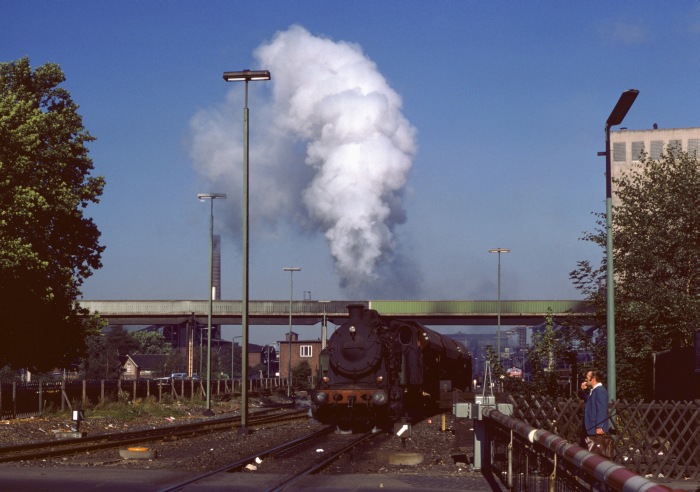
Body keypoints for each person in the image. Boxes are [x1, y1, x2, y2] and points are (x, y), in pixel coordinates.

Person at [579, 369, 610, 439]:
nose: (585, 380)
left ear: (593, 379)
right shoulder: (594, 390)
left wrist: (599, 426)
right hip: (591, 426)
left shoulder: (600, 391)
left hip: (596, 428)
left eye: (587, 378)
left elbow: (601, 410)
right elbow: (585, 398)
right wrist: (583, 390)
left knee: (596, 449)